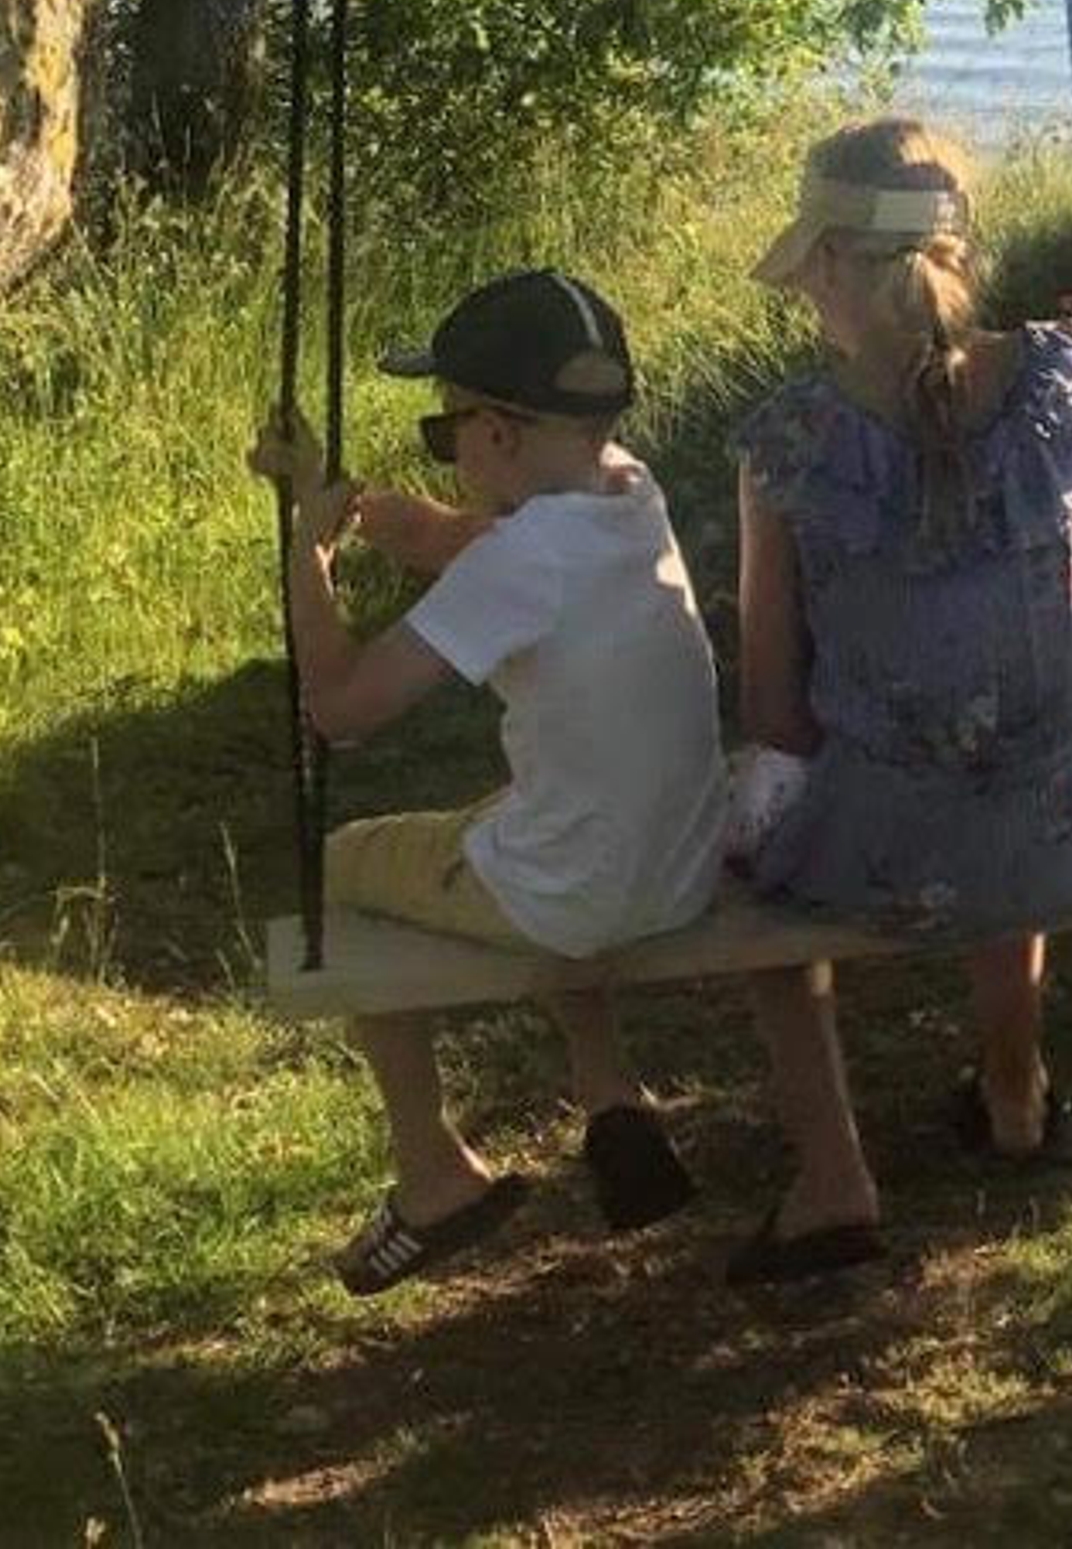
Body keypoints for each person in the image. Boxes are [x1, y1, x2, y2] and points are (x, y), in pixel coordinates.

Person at [728, 116, 1072, 1279]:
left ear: (843, 266)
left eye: (812, 271)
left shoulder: (786, 445)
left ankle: (835, 1179)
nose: (809, 298)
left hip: (884, 846)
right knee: (1012, 768)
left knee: (759, 892)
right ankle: (1013, 1094)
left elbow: (776, 714)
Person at [255, 265, 731, 1295]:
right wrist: (339, 494)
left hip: (581, 891)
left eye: (446, 430)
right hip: (681, 866)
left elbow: (340, 712)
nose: (451, 448)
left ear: (500, 436)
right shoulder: (623, 491)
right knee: (526, 820)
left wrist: (308, 556)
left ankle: (432, 1173)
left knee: (342, 863)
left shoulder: (522, 564)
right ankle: (612, 1097)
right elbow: (447, 536)